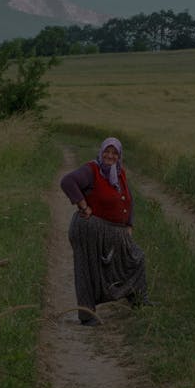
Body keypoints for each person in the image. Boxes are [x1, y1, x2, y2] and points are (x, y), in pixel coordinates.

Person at [60, 137, 152, 326]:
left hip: (114, 231)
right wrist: (84, 206)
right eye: (107, 152)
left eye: (114, 153)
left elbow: (129, 199)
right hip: (89, 229)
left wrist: (129, 224)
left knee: (135, 258)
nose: (110, 156)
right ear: (101, 152)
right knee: (87, 269)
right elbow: (67, 182)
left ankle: (138, 299)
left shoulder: (119, 173)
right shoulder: (92, 170)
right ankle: (87, 316)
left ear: (119, 156)